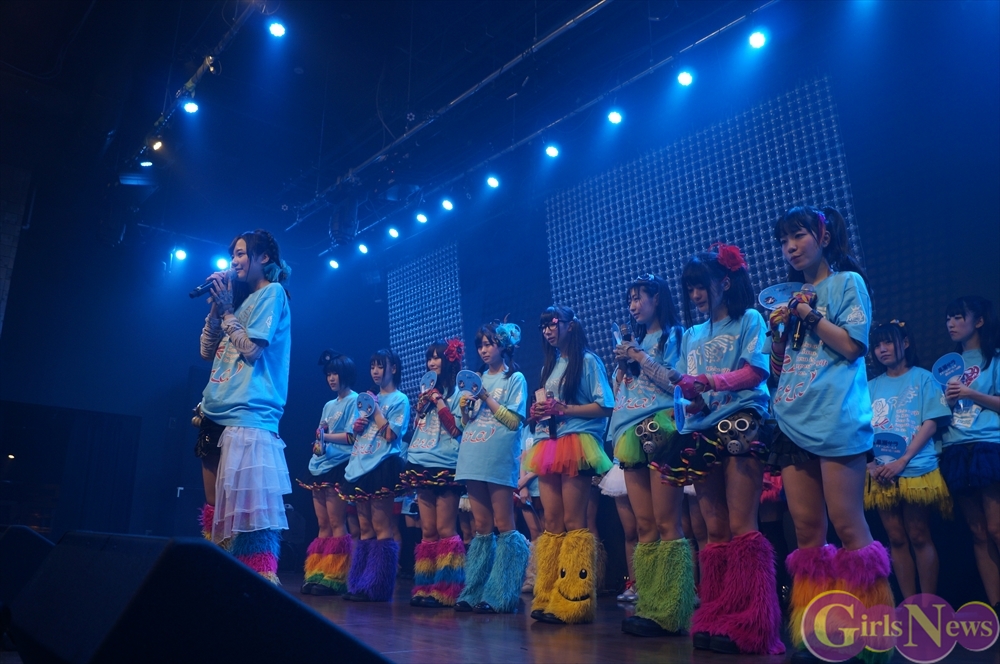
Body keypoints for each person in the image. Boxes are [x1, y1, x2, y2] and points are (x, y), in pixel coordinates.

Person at [766, 206, 890, 663]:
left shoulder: (846, 283)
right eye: (784, 241)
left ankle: (870, 637)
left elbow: (853, 346)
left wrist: (808, 313)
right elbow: (777, 370)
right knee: (806, 530)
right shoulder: (790, 298)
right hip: (792, 418)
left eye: (798, 236)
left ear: (822, 236)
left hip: (835, 417)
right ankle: (815, 633)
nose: (790, 247)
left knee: (847, 523)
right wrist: (779, 334)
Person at [674, 246, 783, 655]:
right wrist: (690, 398)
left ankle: (754, 621)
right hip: (703, 428)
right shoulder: (691, 334)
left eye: (700, 286)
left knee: (742, 525)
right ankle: (716, 615)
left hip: (742, 422)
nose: (695, 295)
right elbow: (695, 391)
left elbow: (757, 371)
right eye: (690, 289)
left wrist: (709, 382)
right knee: (713, 530)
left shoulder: (750, 319)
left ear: (724, 282)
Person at [199, 229, 292, 583]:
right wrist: (216, 311)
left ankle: (254, 585)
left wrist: (227, 313)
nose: (234, 261)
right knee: (215, 508)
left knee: (248, 515)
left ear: (263, 257)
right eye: (233, 255)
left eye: (241, 254)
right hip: (214, 410)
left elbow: (252, 350)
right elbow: (206, 352)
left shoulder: (273, 293)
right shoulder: (235, 302)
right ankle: (219, 579)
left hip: (248, 416)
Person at [607, 275, 694, 637]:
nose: (632, 306)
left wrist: (638, 356)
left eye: (637, 298)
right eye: (629, 300)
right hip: (629, 432)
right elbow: (620, 392)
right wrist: (622, 365)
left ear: (656, 298)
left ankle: (672, 606)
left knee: (666, 521)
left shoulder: (677, 336)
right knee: (643, 526)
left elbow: (676, 381)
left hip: (662, 427)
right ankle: (649, 603)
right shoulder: (635, 343)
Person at [525, 306, 615, 624]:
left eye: (552, 324)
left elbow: (605, 405)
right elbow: (550, 409)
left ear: (570, 326)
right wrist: (537, 414)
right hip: (548, 443)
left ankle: (575, 598)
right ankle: (548, 593)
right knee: (551, 521)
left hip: (577, 443)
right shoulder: (549, 366)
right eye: (543, 326)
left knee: (575, 520)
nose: (548, 331)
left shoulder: (588, 360)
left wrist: (566, 409)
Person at [863, 320, 952, 599]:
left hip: (916, 467)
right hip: (880, 472)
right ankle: (909, 605)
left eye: (888, 342)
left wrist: (902, 461)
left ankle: (927, 605)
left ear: (905, 342)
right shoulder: (870, 386)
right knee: (896, 538)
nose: (882, 349)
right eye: (877, 345)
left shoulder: (923, 378)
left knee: (918, 534)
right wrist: (871, 464)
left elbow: (931, 423)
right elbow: (860, 429)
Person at [454, 322, 531, 614]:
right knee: (481, 527)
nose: (484, 350)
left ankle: (501, 593)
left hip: (498, 456)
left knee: (504, 524)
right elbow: (464, 425)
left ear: (502, 345)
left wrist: (485, 396)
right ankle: (475, 590)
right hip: (472, 454)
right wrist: (464, 408)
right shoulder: (474, 379)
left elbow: (513, 421)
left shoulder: (515, 378)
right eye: (480, 345)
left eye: (489, 344)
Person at [939, 296, 1000, 612]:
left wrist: (970, 393)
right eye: (948, 318)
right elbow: (937, 414)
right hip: (955, 448)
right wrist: (947, 403)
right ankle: (995, 607)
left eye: (958, 317)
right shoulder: (946, 366)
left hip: (987, 445)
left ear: (979, 321)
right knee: (977, 533)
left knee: (996, 528)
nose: (951, 323)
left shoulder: (994, 359)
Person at [338, 349, 409, 602]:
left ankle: (378, 586)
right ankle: (359, 583)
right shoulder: (367, 398)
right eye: (372, 367)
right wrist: (357, 426)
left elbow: (391, 435)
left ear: (393, 369)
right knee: (364, 528)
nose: (376, 371)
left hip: (382, 466)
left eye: (380, 366)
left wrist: (376, 411)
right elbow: (355, 435)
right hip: (360, 465)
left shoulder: (400, 399)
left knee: (381, 526)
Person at [399, 339, 467, 608]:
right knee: (427, 530)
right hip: (420, 460)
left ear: (449, 360)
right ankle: (424, 586)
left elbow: (456, 429)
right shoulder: (426, 391)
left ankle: (447, 588)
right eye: (429, 358)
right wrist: (422, 405)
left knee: (445, 528)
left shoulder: (459, 392)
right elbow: (419, 426)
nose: (432, 362)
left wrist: (438, 400)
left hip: (446, 463)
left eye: (437, 357)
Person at [299, 350, 359, 596]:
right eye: (328, 374)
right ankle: (317, 572)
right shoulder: (328, 405)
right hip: (320, 466)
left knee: (336, 522)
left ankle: (336, 576)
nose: (331, 378)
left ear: (346, 374)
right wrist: (319, 442)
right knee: (322, 523)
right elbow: (321, 435)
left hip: (338, 466)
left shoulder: (355, 400)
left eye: (335, 373)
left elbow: (352, 437)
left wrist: (325, 436)